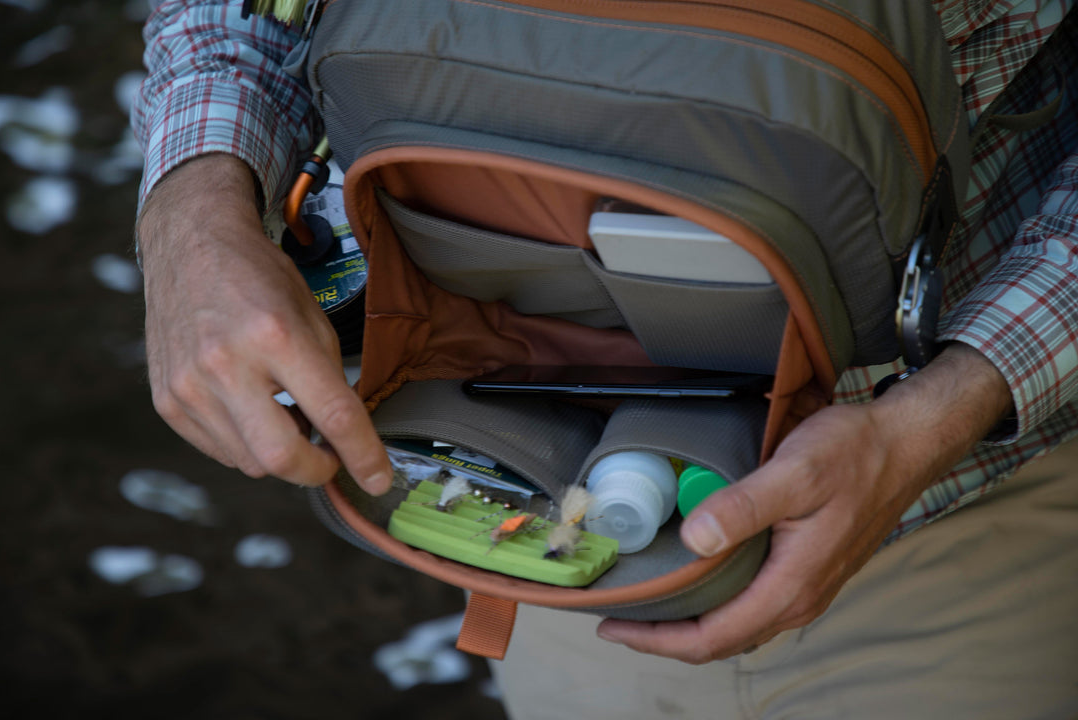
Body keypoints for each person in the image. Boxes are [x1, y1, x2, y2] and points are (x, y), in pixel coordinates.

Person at [132, 1, 1078, 717]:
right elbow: (245, 14)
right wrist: (194, 216)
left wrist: (954, 402)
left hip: (963, 516)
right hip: (555, 539)